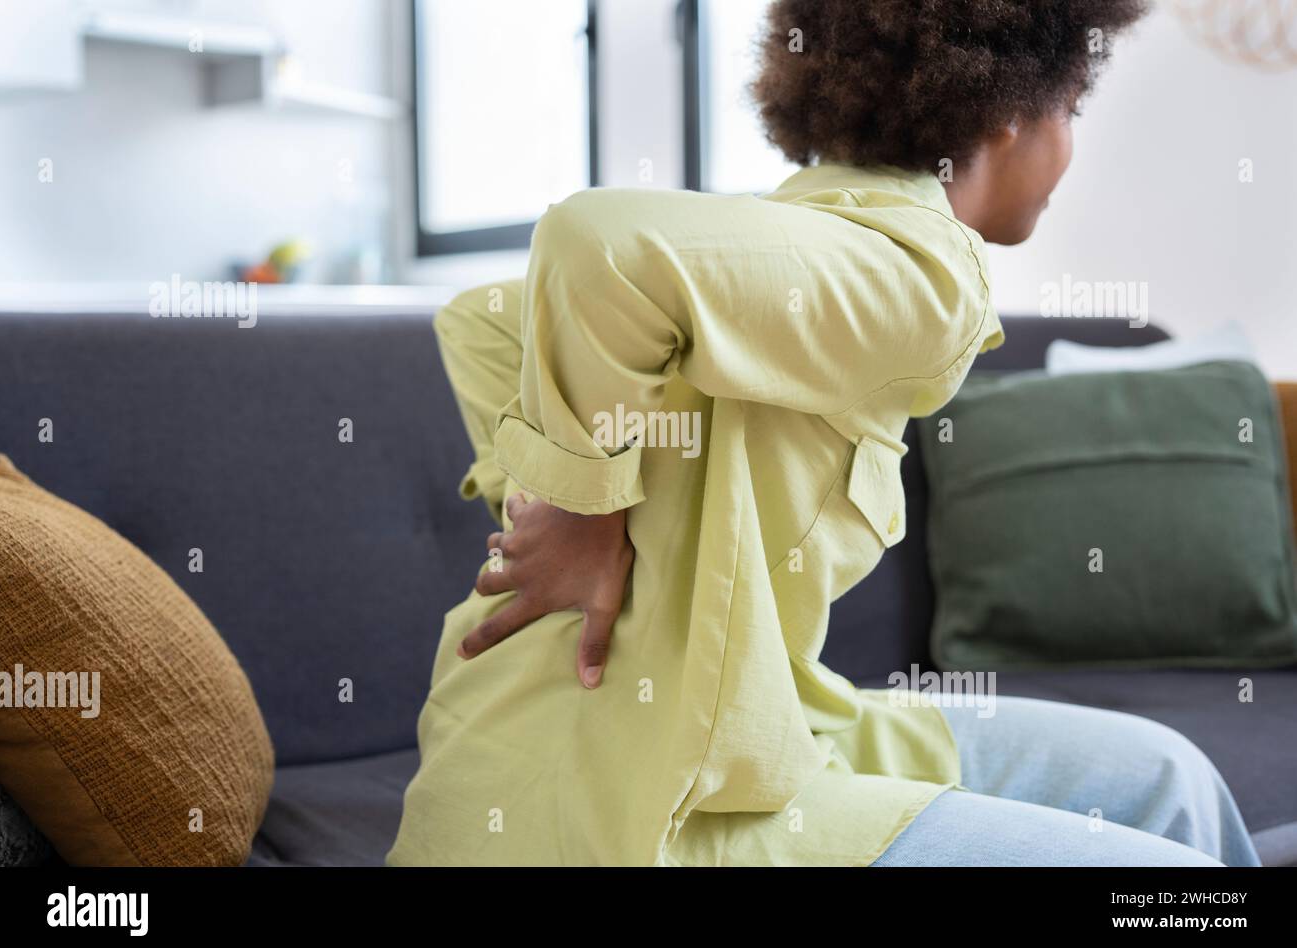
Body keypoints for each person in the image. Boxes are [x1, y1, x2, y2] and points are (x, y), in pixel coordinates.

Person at [388, 0, 1261, 866]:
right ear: (1007, 113)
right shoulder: (926, 278)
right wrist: (581, 515)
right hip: (637, 810)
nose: (1071, 145)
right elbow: (593, 243)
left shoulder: (802, 236)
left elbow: (479, 320)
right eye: (1070, 110)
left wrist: (553, 493)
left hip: (710, 728)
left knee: (1165, 779)